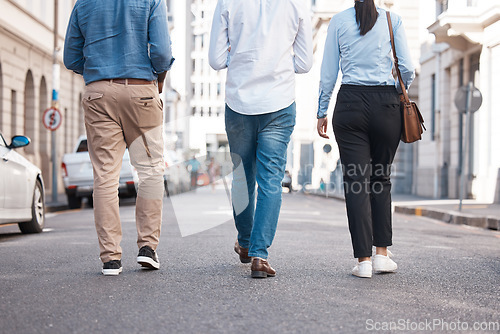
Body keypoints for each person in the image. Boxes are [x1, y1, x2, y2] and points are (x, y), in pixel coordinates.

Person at [63, 0, 174, 276]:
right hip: (141, 92)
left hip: (98, 93)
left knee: (105, 176)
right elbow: (161, 53)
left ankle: (110, 258)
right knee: (150, 172)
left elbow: (71, 57)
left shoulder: (84, 2)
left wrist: (98, 73)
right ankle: (147, 248)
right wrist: (157, 81)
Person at [209, 0, 313, 278]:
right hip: (279, 102)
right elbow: (304, 63)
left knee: (242, 177)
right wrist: (274, 61)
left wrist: (241, 58)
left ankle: (244, 243)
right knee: (270, 180)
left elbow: (217, 60)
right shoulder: (298, 4)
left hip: (239, 102)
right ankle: (259, 254)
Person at [316, 0, 414, 278]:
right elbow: (407, 68)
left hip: (349, 103)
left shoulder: (338, 21)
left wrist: (322, 110)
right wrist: (395, 92)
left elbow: (328, 74)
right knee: (380, 177)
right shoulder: (392, 20)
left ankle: (363, 261)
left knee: (356, 182)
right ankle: (382, 254)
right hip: (386, 104)